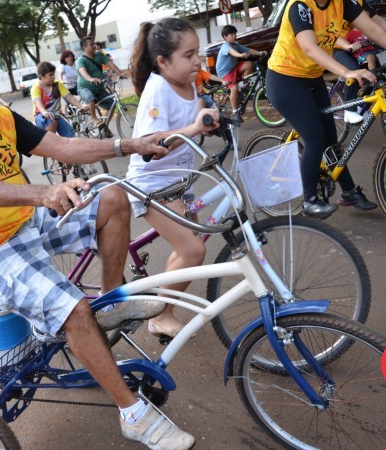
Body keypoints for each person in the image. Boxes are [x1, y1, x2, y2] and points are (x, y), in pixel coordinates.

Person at [0, 20, 192, 449]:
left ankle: (112, 300)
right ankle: (133, 415)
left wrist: (131, 145)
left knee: (112, 197)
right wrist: (45, 191)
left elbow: (61, 148)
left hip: (26, 221)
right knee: (73, 309)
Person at [265, 0, 386, 219]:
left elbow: (372, 28)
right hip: (285, 79)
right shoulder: (300, 5)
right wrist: (347, 72)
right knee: (315, 138)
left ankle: (348, 192)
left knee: (330, 140)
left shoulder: (340, 2)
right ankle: (309, 201)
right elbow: (309, 47)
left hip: (312, 77)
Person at [128, 18, 218, 338]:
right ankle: (160, 315)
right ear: (163, 62)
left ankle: (163, 304)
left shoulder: (188, 81)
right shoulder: (158, 91)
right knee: (194, 251)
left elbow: (193, 112)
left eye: (198, 53)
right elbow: (150, 146)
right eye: (189, 55)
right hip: (151, 186)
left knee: (185, 250)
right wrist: (194, 128)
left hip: (178, 182)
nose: (197, 61)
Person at [333, 0, 386, 123]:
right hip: (338, 47)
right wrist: (348, 46)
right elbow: (327, 32)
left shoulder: (357, 2)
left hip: (360, 46)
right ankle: (349, 109)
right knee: (353, 72)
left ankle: (362, 106)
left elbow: (374, 19)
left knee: (377, 75)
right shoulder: (332, 5)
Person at [77, 35, 125, 137]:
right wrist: (91, 79)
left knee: (111, 104)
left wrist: (120, 73)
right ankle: (95, 119)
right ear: (84, 48)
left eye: (94, 43)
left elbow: (110, 64)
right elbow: (83, 71)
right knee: (90, 98)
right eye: (91, 45)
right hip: (85, 88)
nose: (94, 46)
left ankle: (104, 125)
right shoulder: (81, 60)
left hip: (99, 88)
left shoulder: (99, 55)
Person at [215, 24, 260, 123]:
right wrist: (240, 55)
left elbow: (249, 50)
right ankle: (235, 112)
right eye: (231, 34)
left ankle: (244, 86)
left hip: (233, 68)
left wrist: (260, 53)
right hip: (225, 72)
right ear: (225, 37)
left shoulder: (236, 45)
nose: (234, 36)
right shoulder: (225, 46)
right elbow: (232, 52)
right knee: (234, 89)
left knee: (249, 64)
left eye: (235, 33)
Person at [31, 61, 82, 137]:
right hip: (41, 116)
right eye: (50, 75)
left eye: (53, 74)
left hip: (57, 115)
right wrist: (45, 112)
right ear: (41, 76)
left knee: (71, 135)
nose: (53, 77)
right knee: (51, 120)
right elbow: (38, 103)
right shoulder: (36, 88)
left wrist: (81, 106)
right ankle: (50, 144)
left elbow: (69, 97)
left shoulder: (57, 84)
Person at [58, 50, 79, 114]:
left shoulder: (76, 64)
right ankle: (71, 116)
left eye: (71, 57)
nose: (70, 58)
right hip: (66, 88)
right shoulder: (62, 66)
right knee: (71, 104)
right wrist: (61, 80)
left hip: (76, 86)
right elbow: (60, 75)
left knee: (84, 93)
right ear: (64, 59)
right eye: (67, 57)